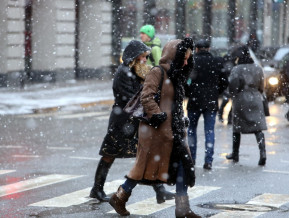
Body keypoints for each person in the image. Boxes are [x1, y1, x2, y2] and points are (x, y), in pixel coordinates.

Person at [109, 38, 201, 218]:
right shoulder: (157, 72)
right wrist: (157, 114)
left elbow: (174, 104)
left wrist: (181, 118)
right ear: (173, 56)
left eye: (187, 59)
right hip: (155, 132)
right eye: (183, 58)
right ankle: (119, 196)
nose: (185, 62)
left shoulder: (177, 75)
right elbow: (146, 96)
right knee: (143, 169)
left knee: (183, 164)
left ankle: (182, 208)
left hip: (174, 131)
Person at [89, 40, 174, 203]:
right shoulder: (124, 71)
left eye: (146, 57)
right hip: (122, 121)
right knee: (109, 155)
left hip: (134, 121)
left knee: (146, 154)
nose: (145, 60)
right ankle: (97, 189)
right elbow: (129, 98)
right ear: (133, 57)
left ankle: (160, 190)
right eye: (142, 57)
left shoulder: (137, 71)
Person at [185, 38, 228, 170]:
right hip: (211, 100)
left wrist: (189, 92)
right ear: (209, 49)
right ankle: (208, 160)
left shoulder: (192, 62)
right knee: (209, 130)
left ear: (196, 49)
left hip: (194, 100)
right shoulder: (216, 61)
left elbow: (186, 81)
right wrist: (216, 92)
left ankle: (192, 159)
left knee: (191, 130)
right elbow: (224, 81)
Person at [226, 45, 267, 166]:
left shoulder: (236, 69)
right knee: (258, 128)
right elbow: (261, 86)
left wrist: (233, 94)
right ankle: (263, 153)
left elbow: (232, 86)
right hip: (255, 98)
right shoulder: (257, 68)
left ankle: (235, 153)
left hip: (241, 100)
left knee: (237, 128)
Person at [218, 53, 233, 124]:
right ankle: (228, 117)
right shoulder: (231, 65)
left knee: (226, 102)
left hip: (228, 86)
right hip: (229, 86)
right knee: (228, 102)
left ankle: (223, 116)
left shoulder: (224, 65)